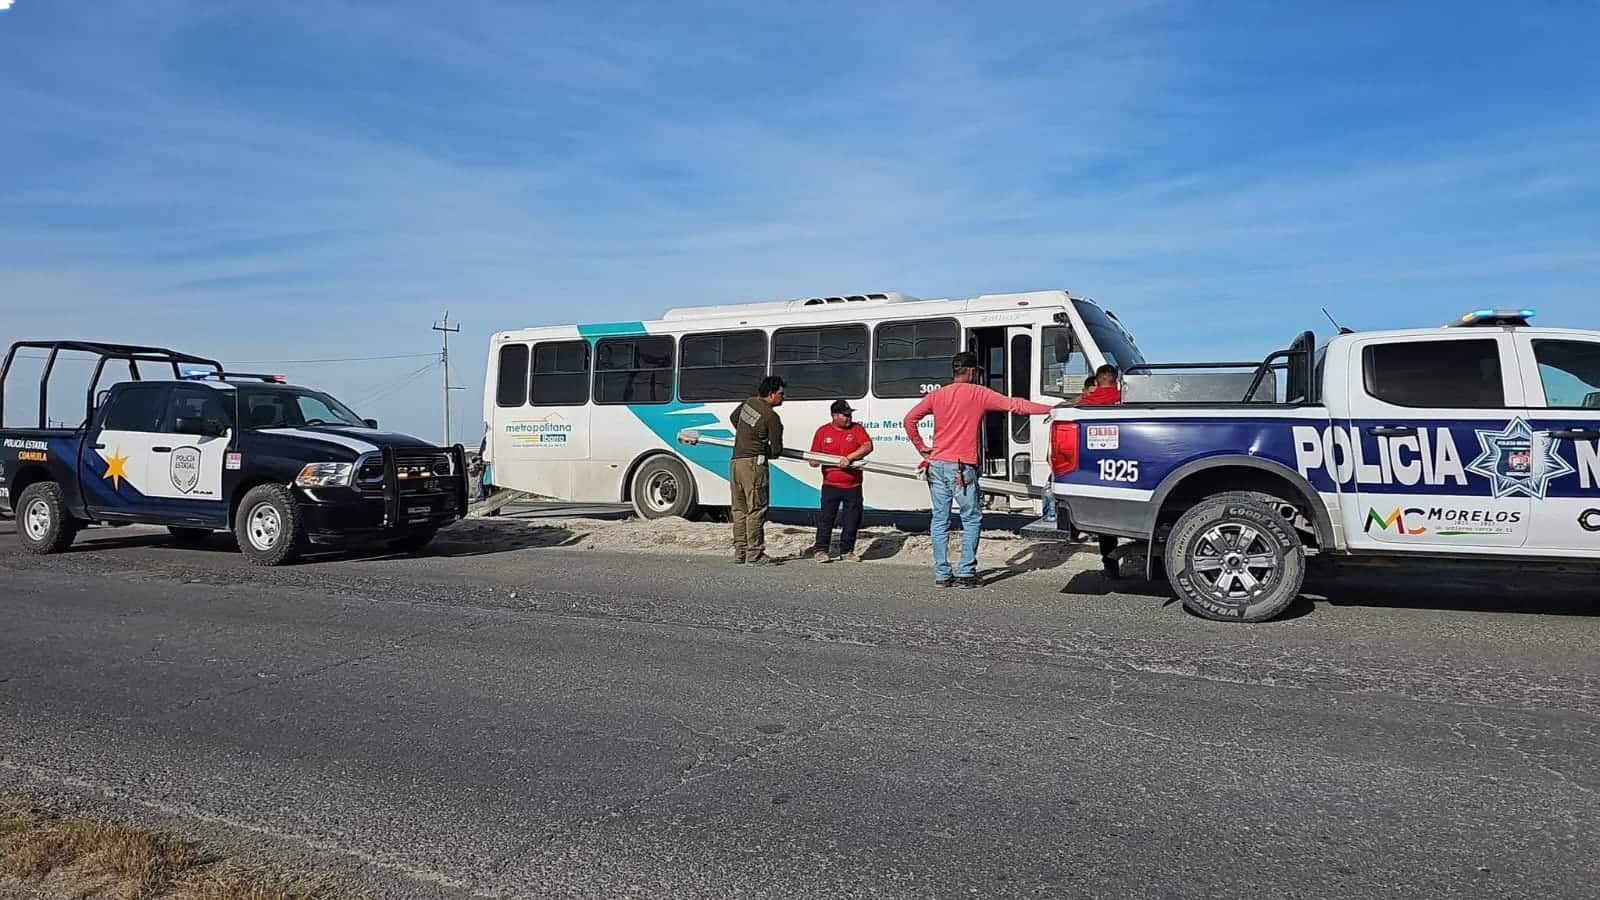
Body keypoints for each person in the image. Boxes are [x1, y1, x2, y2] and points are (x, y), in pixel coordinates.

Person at [903, 352, 1056, 588]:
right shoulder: (978, 393)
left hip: (936, 465)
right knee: (971, 519)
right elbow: (1016, 405)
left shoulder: (937, 395)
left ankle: (942, 574)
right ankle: (966, 572)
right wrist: (1051, 408)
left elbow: (909, 419)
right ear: (972, 371)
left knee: (940, 519)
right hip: (961, 467)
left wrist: (923, 448)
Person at [729, 376, 786, 566]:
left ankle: (740, 552)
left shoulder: (748, 403)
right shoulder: (771, 417)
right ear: (771, 394)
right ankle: (755, 554)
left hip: (736, 462)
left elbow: (733, 418)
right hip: (754, 465)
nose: (783, 398)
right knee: (756, 509)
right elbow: (776, 450)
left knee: (739, 510)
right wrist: (761, 446)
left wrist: (747, 435)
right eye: (780, 394)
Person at [808, 399, 873, 562]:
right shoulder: (822, 432)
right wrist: (814, 461)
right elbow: (813, 456)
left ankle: (847, 551)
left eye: (850, 414)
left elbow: (867, 446)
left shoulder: (857, 429)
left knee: (852, 520)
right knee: (826, 519)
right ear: (835, 416)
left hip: (853, 485)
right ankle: (821, 550)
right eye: (845, 415)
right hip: (831, 484)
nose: (849, 418)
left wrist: (849, 458)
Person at [1077, 364, 1123, 578]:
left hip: (1096, 469)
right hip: (1126, 466)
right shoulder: (1123, 398)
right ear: (1116, 379)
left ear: (1096, 381)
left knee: (1107, 522)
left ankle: (1111, 566)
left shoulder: (1085, 403)